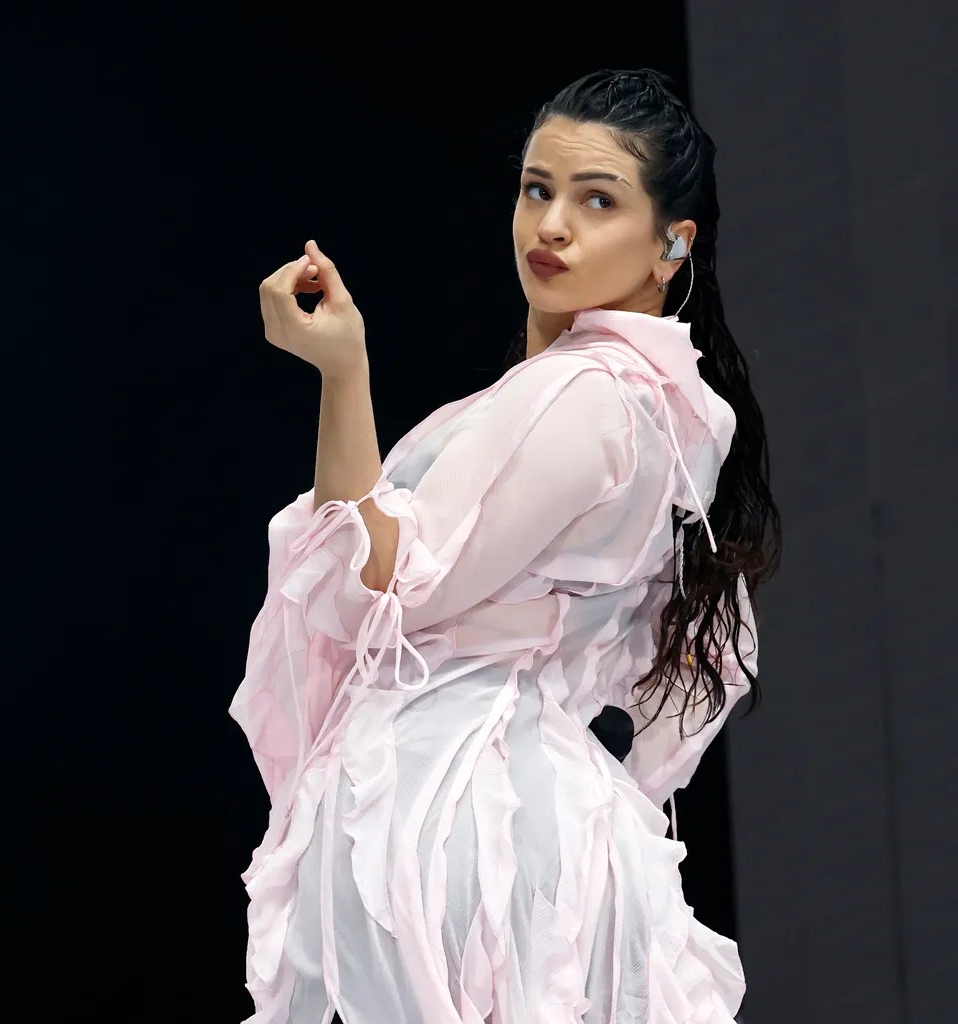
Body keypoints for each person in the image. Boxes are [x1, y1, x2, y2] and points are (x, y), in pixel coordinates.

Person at [230, 68, 781, 1023]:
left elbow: (381, 590)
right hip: (496, 803)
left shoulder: (594, 395)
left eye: (597, 200)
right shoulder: (648, 401)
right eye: (536, 189)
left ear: (673, 245)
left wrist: (344, 373)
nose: (551, 225)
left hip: (458, 804)